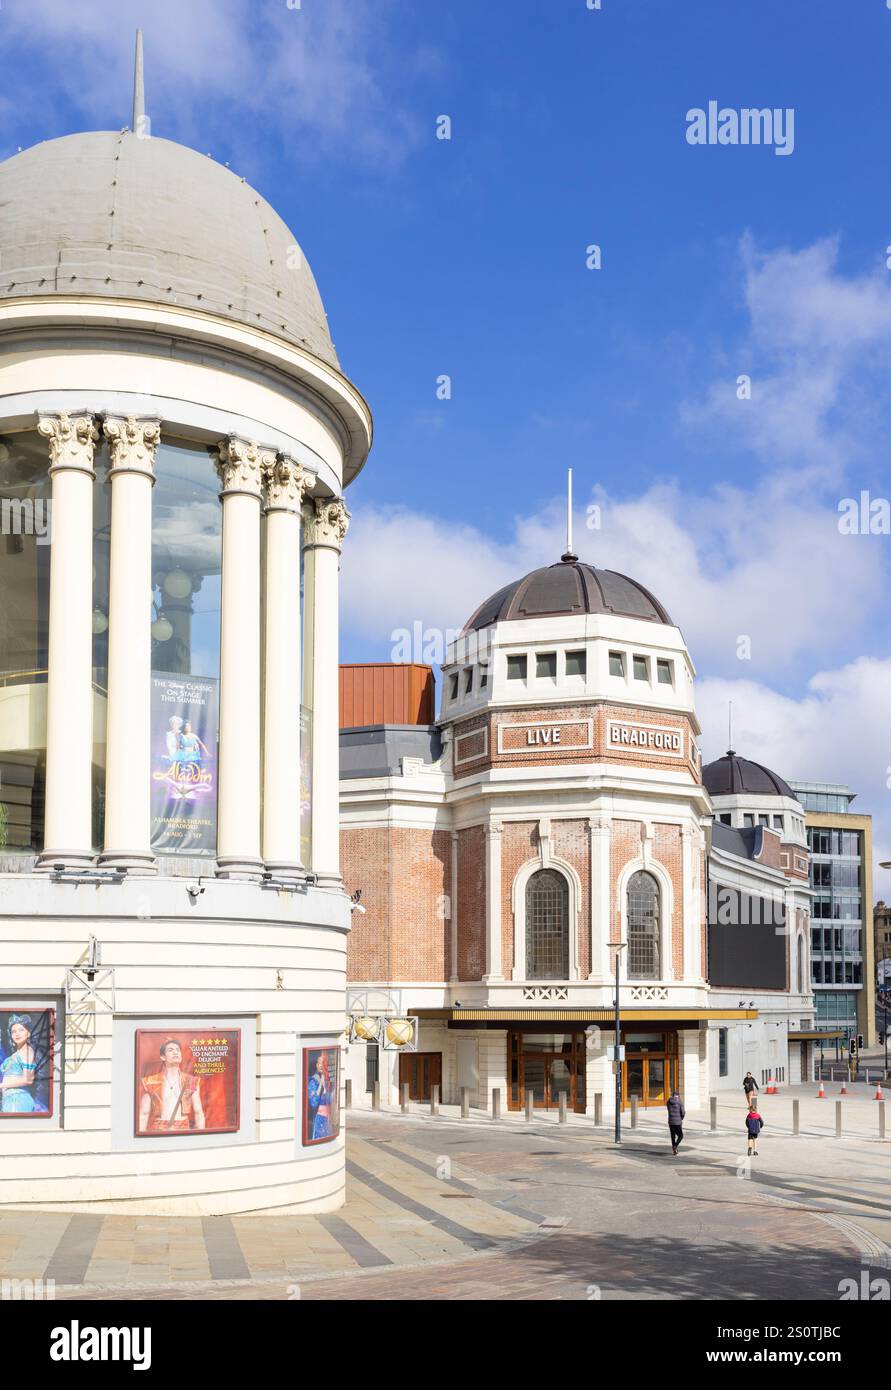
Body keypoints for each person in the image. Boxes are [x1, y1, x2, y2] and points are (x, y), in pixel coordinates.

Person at [138, 1039, 205, 1133]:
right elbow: (143, 1114)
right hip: (159, 1130)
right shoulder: (150, 1082)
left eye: (178, 1050)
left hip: (183, 1131)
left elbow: (199, 1113)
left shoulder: (191, 1081)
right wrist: (142, 1140)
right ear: (162, 1057)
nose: (175, 1052)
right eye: (170, 1050)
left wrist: (200, 1139)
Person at [0, 1014, 48, 1113]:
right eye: (14, 1031)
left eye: (21, 1030)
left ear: (28, 1033)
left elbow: (28, 1079)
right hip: (8, 1100)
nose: (17, 1034)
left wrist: (2, 1085)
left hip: (18, 1099)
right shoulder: (15, 1054)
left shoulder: (28, 1051)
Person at [307, 1051, 333, 1140]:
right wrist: (320, 1086)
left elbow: (329, 1101)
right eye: (319, 1063)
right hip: (319, 1119)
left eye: (323, 1063)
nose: (321, 1065)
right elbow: (313, 1103)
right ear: (316, 1065)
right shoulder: (312, 1081)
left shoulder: (326, 1081)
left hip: (326, 1120)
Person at [667, 1089, 685, 1155]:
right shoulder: (680, 1102)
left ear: (672, 1095)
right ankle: (675, 1146)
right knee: (681, 1135)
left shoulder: (668, 1101)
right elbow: (683, 1112)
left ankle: (674, 1150)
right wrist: (681, 1118)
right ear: (678, 1096)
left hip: (671, 1121)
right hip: (678, 1122)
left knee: (673, 1136)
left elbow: (669, 1110)